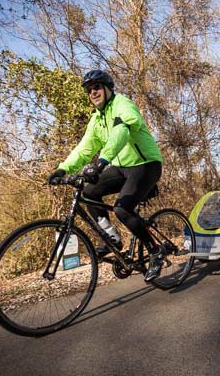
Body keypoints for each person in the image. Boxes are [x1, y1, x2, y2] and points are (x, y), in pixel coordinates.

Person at [47, 70, 164, 281]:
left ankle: (155, 251)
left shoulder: (123, 104)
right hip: (120, 166)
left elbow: (121, 132)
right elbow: (84, 149)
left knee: (121, 208)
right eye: (89, 90)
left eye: (97, 87)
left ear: (108, 88)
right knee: (89, 191)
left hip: (146, 164)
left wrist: (101, 162)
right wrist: (62, 169)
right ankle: (112, 237)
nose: (93, 92)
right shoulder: (97, 119)